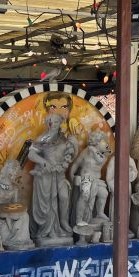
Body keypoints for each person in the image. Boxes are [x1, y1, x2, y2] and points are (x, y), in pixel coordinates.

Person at [28, 99, 78, 242]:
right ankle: (49, 230)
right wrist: (43, 162)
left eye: (56, 122)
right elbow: (31, 154)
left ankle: (62, 224)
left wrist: (73, 143)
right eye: (50, 122)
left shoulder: (64, 139)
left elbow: (71, 155)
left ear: (60, 123)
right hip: (45, 175)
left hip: (60, 174)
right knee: (50, 202)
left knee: (63, 196)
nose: (53, 125)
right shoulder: (44, 137)